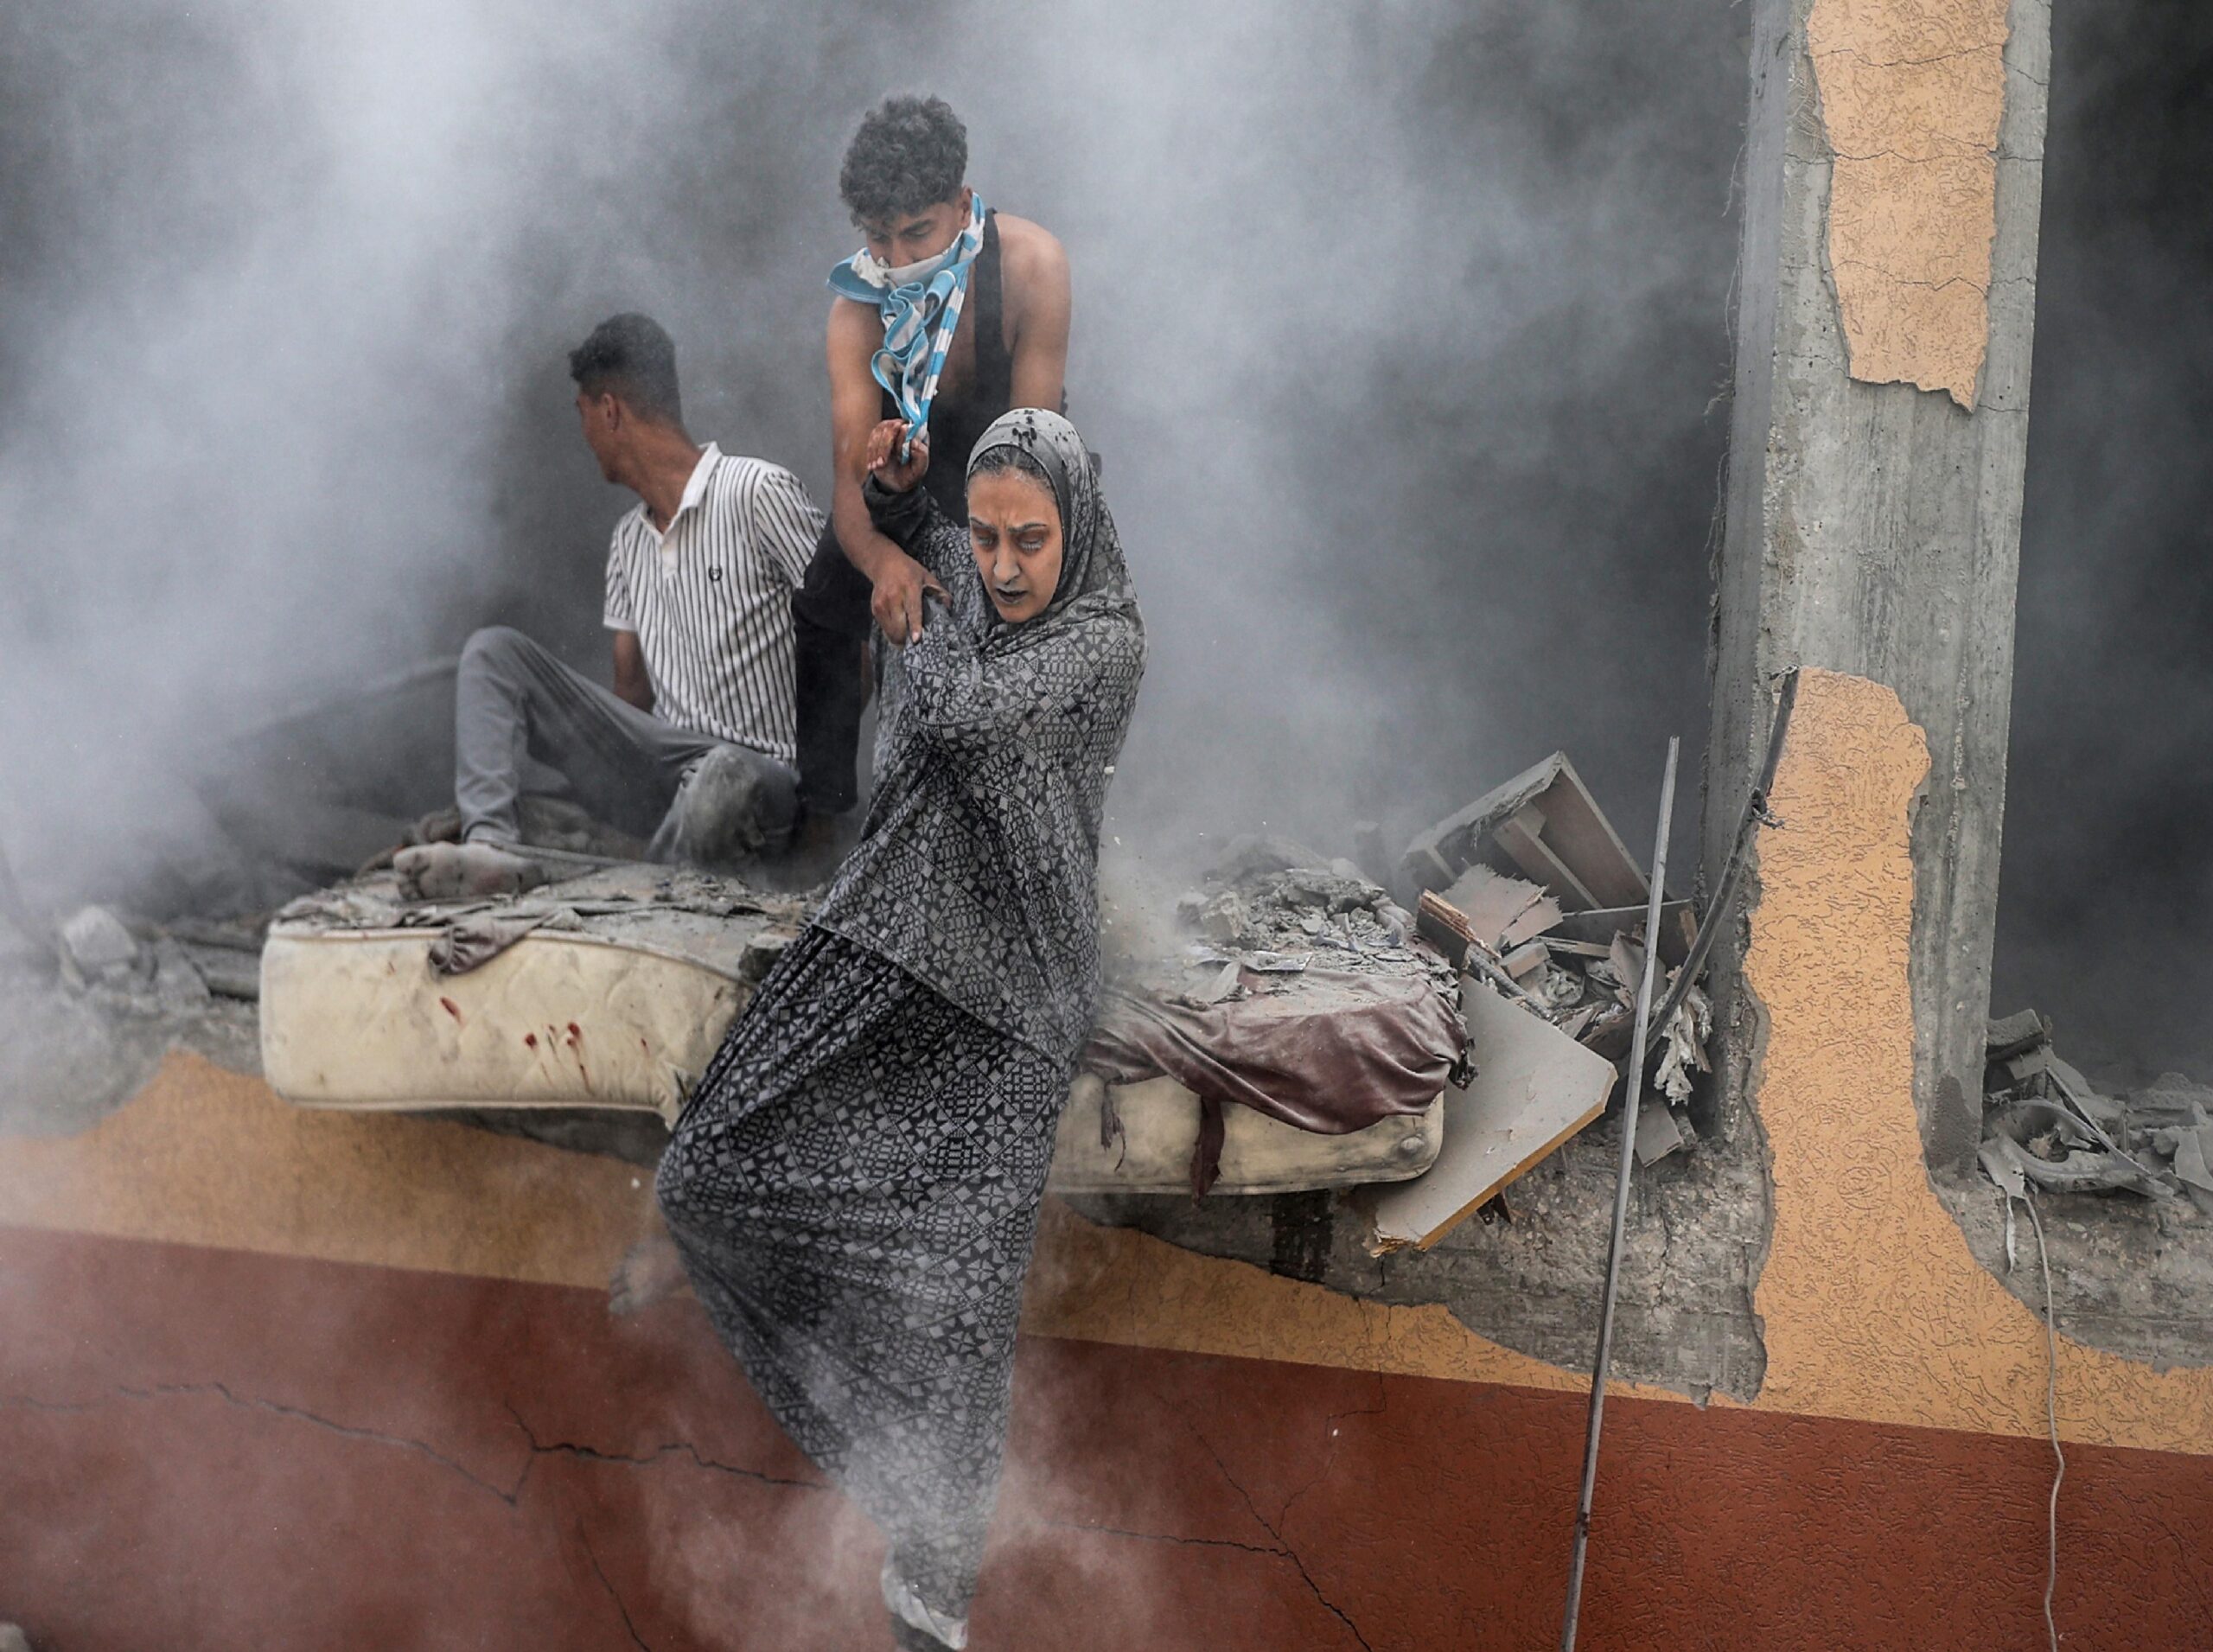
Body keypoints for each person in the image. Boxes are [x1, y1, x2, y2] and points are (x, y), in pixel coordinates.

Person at [656, 409, 1143, 1651]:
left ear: (1075, 527)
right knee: (707, 1175)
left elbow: (956, 715)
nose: (1004, 564)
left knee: (960, 1309)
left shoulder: (1103, 644)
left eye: (1029, 537)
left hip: (1012, 995)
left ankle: (932, 1581)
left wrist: (907, 597)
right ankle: (893, 1465)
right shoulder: (981, 586)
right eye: (985, 538)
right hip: (891, 933)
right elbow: (948, 610)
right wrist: (918, 517)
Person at [398, 314, 822, 899]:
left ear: (610, 411)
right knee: (493, 653)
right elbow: (630, 701)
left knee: (725, 773)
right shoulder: (627, 541)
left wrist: (829, 800)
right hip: (670, 771)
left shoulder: (757, 491)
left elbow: (848, 632)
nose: (585, 436)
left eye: (583, 416)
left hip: (762, 780)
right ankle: (492, 847)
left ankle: (648, 890)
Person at [791, 93, 1073, 843]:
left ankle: (1030, 833)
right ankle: (820, 824)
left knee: (1019, 629)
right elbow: (851, 485)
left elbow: (1036, 451)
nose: (900, 260)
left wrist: (992, 571)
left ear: (962, 205)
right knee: (824, 609)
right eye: (880, 239)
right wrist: (885, 561)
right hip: (899, 482)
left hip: (1021, 475)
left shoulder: (1032, 267)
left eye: (919, 232)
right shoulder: (856, 311)